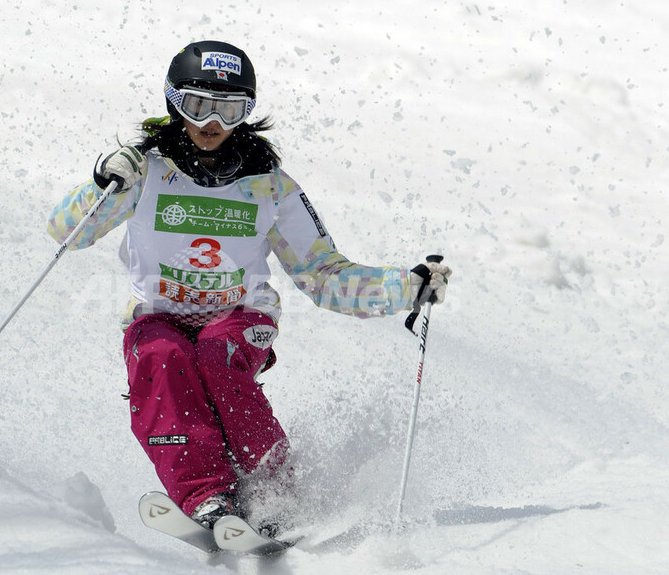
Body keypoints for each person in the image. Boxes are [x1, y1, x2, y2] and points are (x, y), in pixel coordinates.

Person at [47, 40, 451, 534]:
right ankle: (208, 495)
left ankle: (274, 490)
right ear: (175, 103)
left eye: (230, 109)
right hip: (159, 313)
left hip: (240, 314)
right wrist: (103, 184)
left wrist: (404, 288)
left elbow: (323, 274)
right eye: (197, 106)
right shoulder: (145, 173)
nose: (211, 122)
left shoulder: (268, 184)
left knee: (217, 354)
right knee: (161, 358)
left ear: (247, 113)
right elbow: (68, 232)